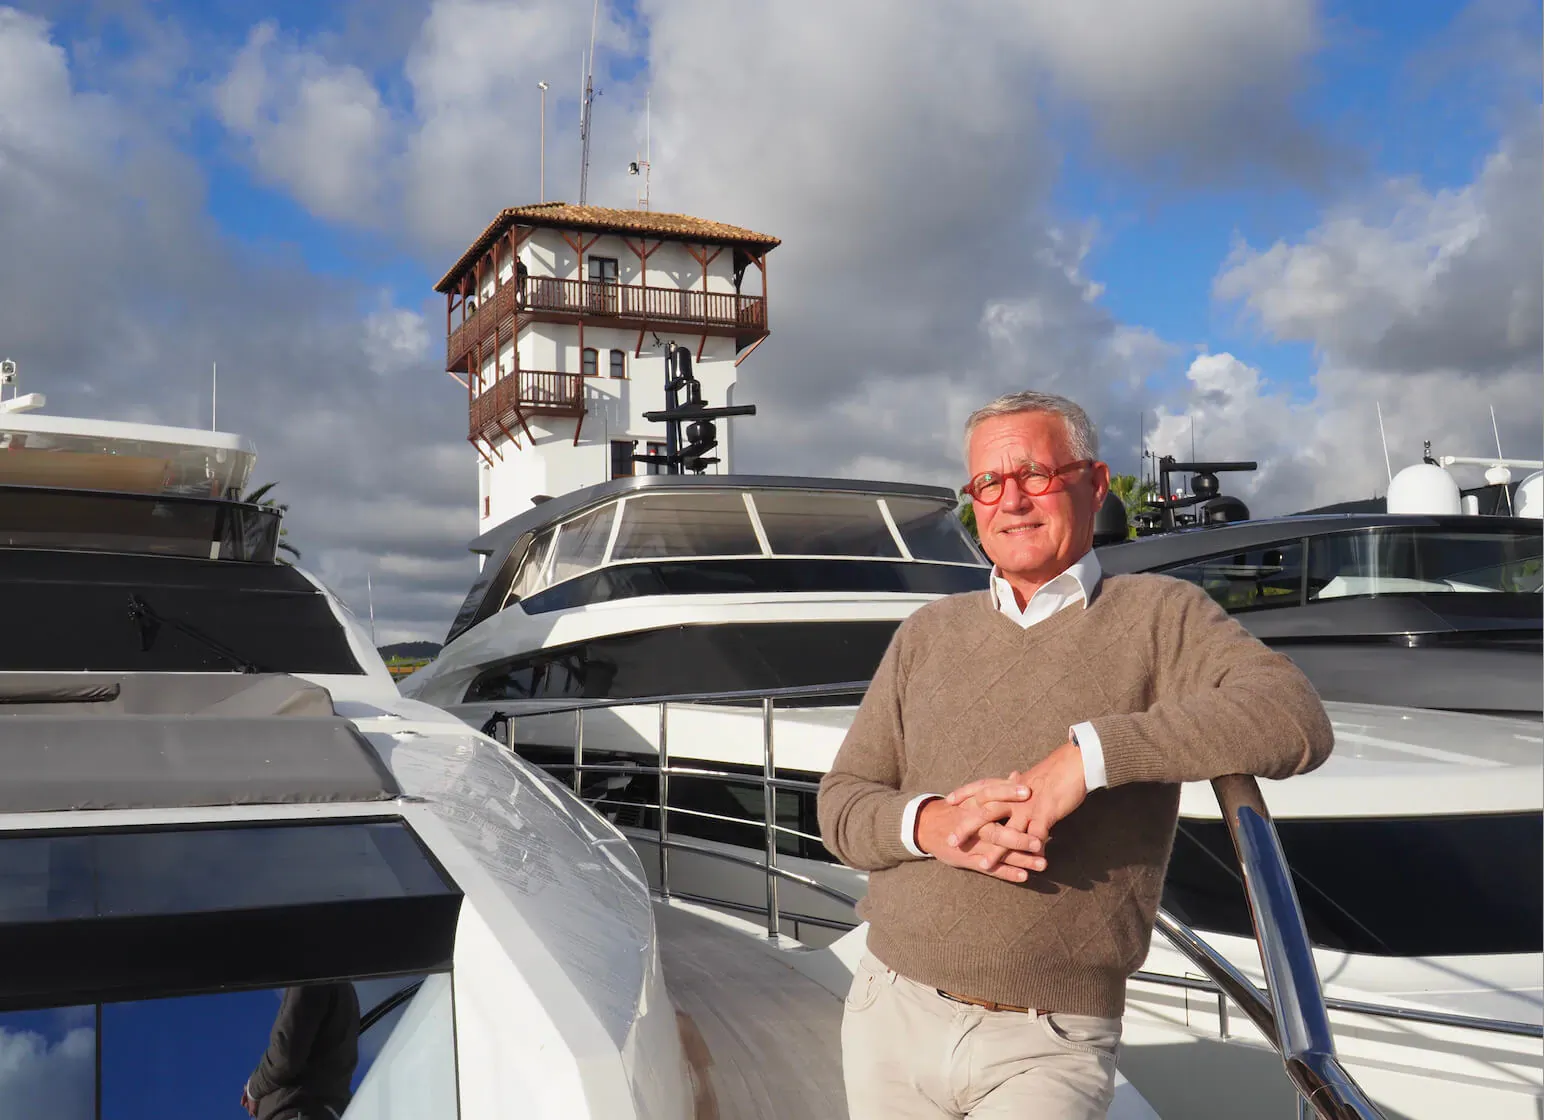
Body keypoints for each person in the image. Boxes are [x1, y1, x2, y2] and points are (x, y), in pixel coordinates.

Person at [817, 390, 1334, 1119]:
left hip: (1048, 1042)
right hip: (889, 1009)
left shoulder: (1161, 617)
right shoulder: (926, 633)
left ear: (1094, 484)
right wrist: (931, 824)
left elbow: (1295, 719)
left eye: (1035, 475)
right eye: (988, 485)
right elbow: (841, 804)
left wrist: (1089, 757)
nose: (1011, 501)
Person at [242, 981, 360, 1120]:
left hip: (298, 1111)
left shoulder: (310, 973)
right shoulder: (342, 986)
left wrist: (253, 1089)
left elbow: (285, 1056)